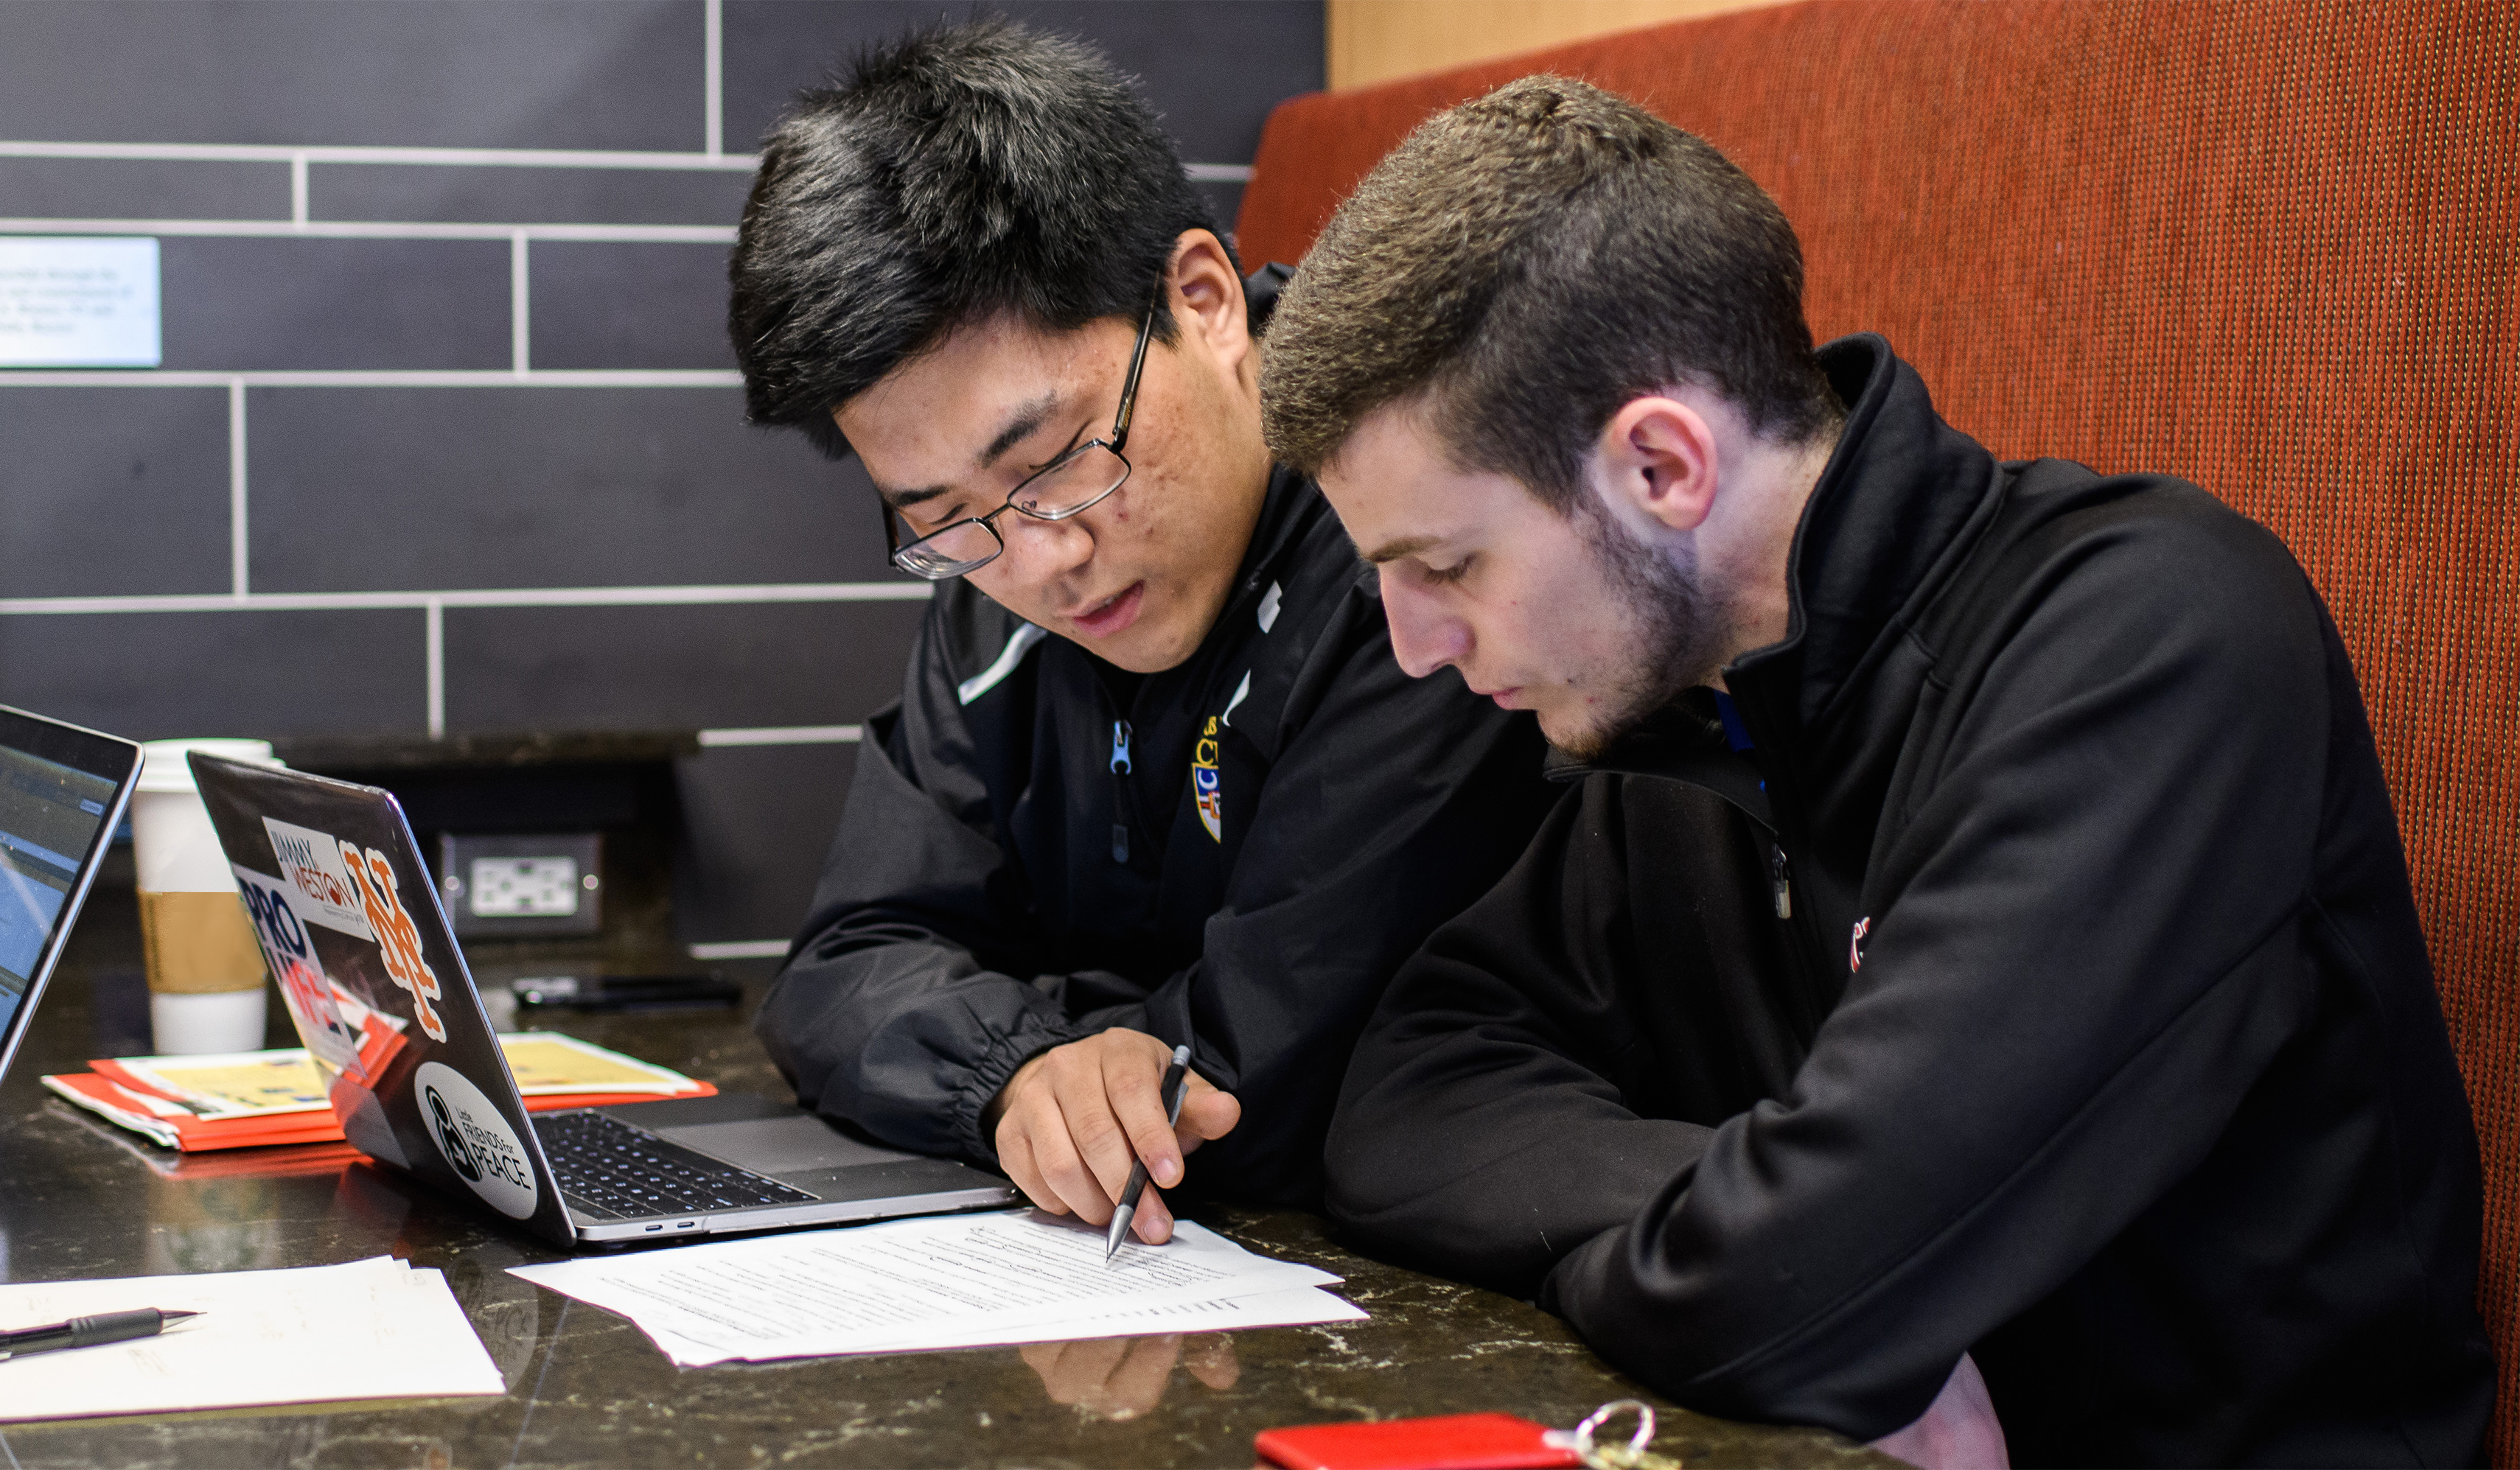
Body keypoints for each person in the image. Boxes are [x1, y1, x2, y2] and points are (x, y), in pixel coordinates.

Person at [1260, 75, 2492, 1468]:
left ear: (1662, 465)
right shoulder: (1676, 715)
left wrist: (1788, 1277)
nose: (1417, 648)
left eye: (1446, 565)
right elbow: (1408, 1093)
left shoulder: (2152, 646)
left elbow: (1779, 1301)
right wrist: (1721, 1219)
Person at [728, 21, 1556, 1242]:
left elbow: (1255, 1087)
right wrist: (1019, 1072)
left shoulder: (1414, 547)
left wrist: (1060, 1039)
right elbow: (846, 962)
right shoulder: (996, 563)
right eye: (942, 516)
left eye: (1061, 459)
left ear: (1206, 302)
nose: (1042, 561)